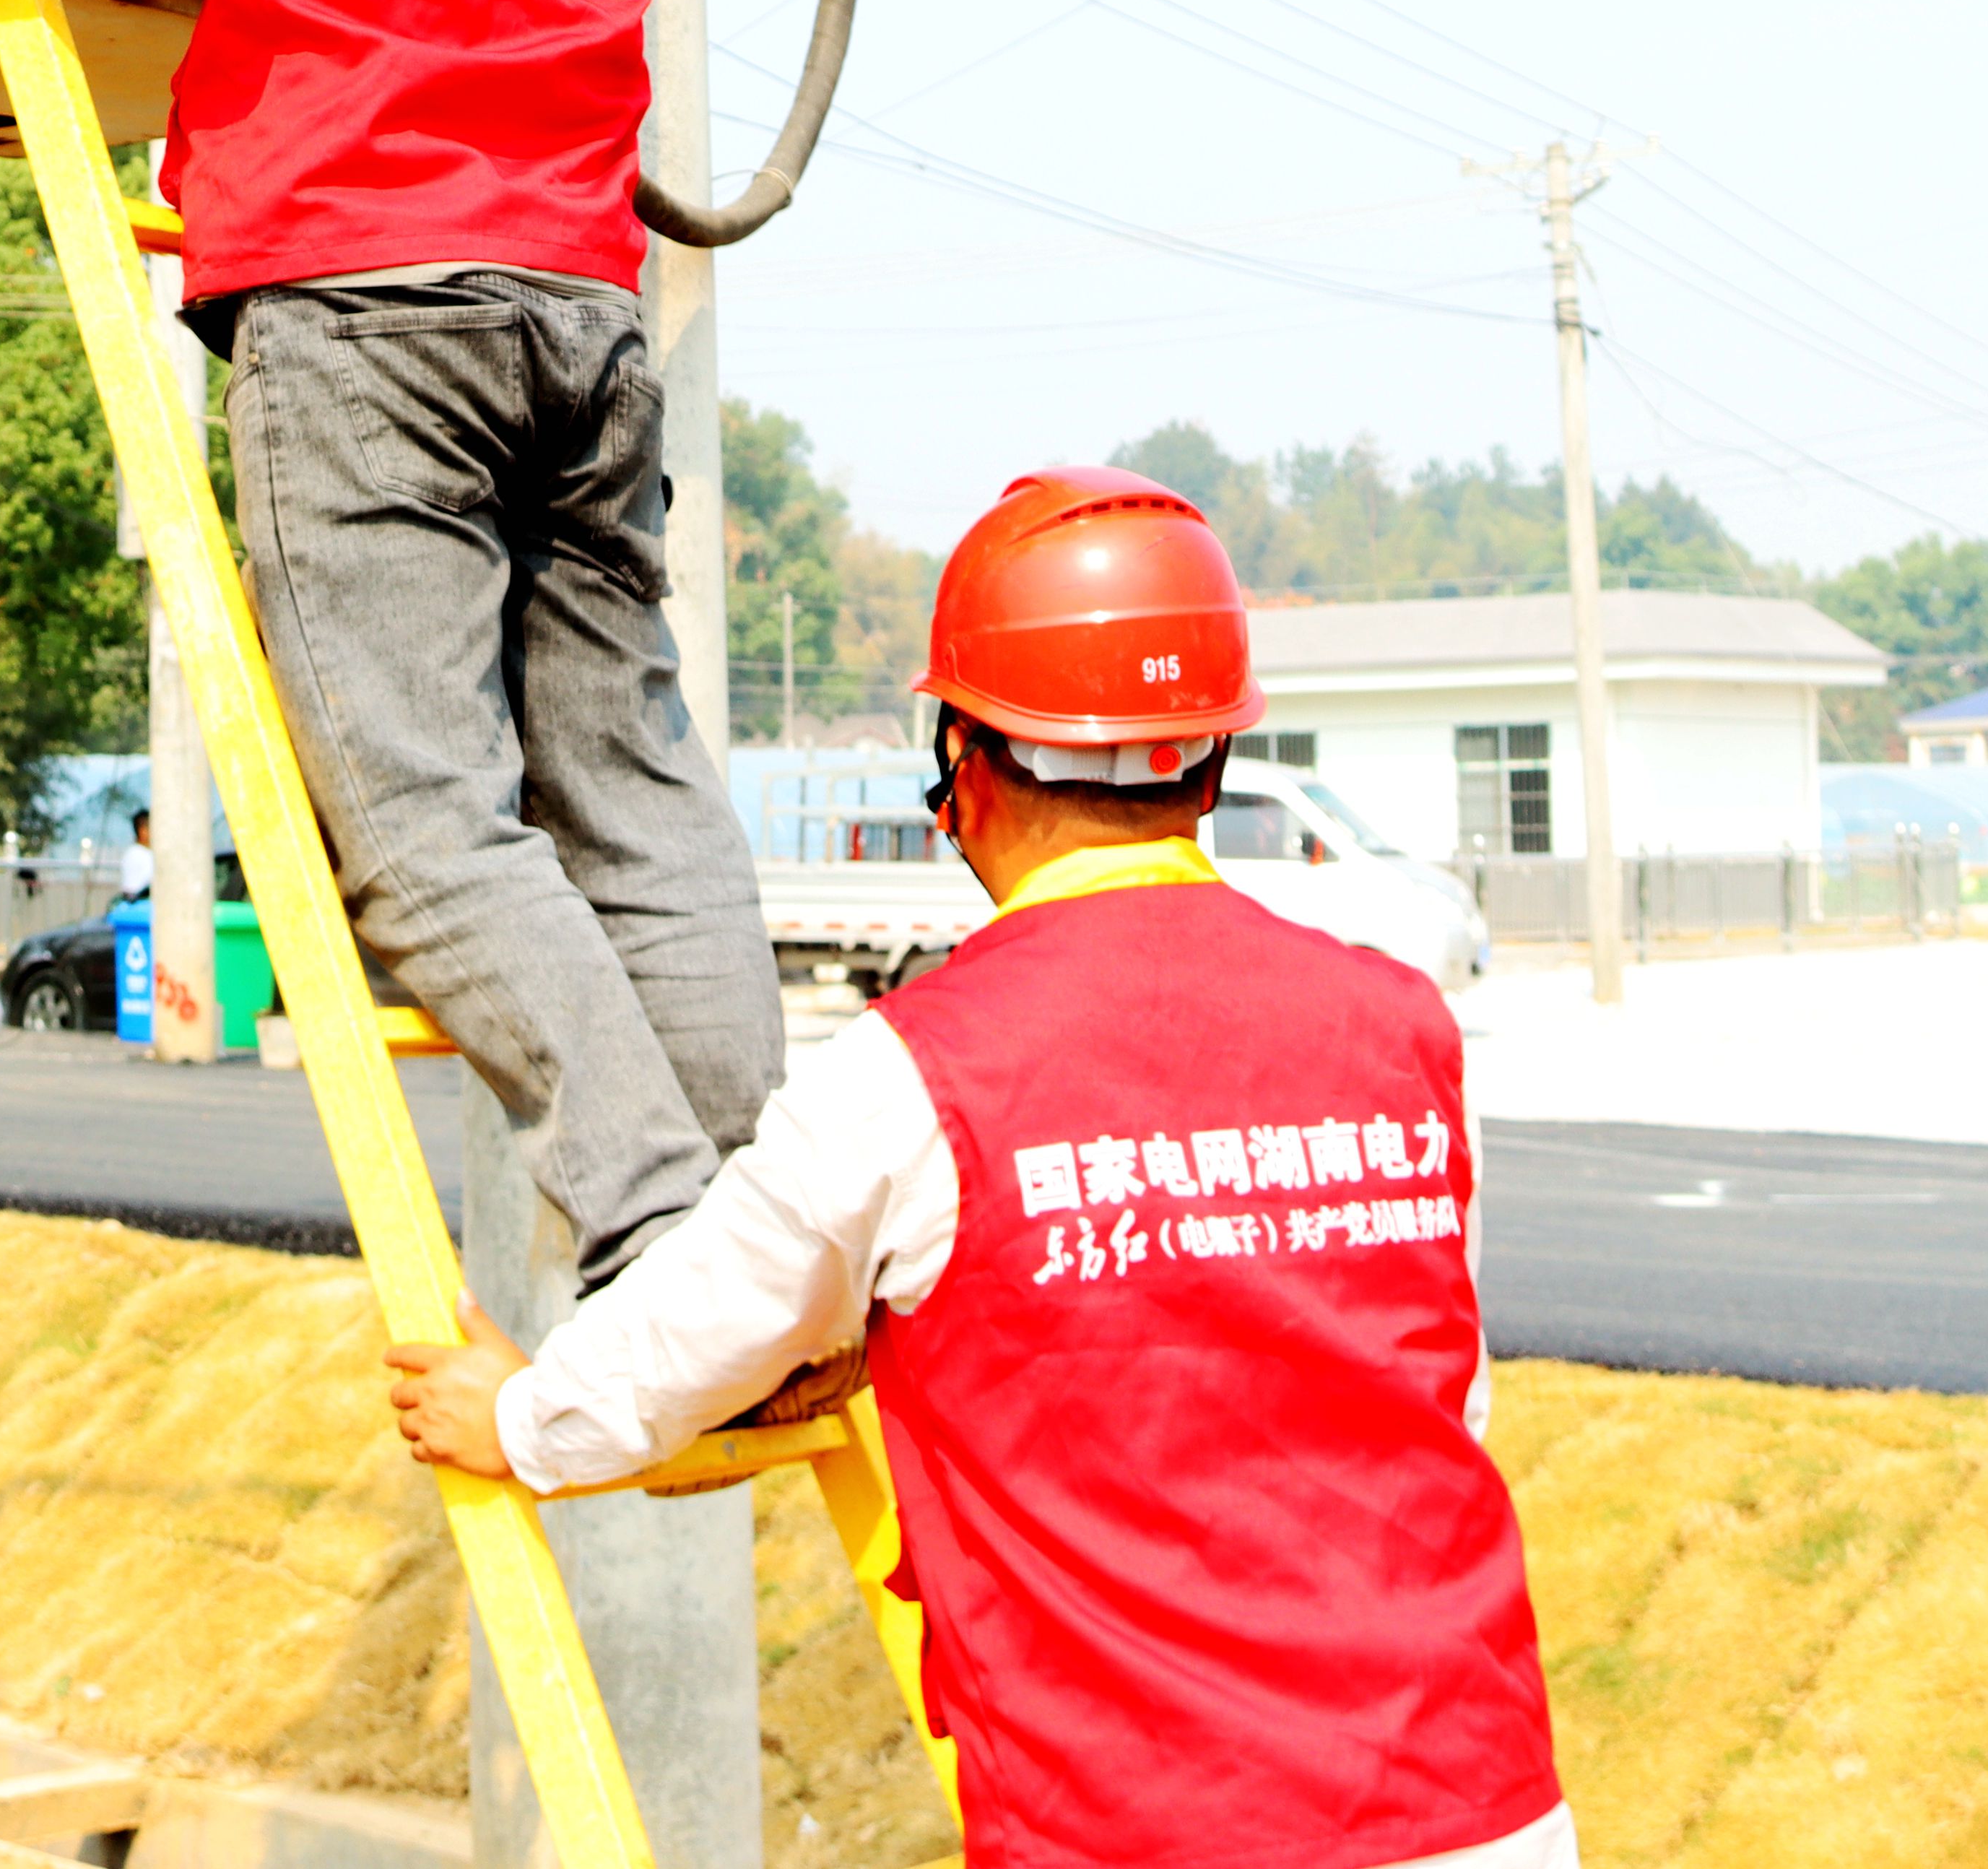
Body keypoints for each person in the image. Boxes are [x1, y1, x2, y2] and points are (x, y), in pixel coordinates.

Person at [386, 469, 1573, 1869]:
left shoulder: (918, 1074)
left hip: (1157, 1830)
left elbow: (696, 1325)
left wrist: (520, 1418)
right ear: (1208, 756)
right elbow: (1436, 1394)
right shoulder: (1401, 1026)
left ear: (966, 759)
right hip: (1479, 1804)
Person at [165, 0, 773, 1286]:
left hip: (364, 300)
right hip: (582, 318)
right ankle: (758, 1211)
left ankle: (650, 1211)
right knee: (635, 786)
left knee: (423, 830)